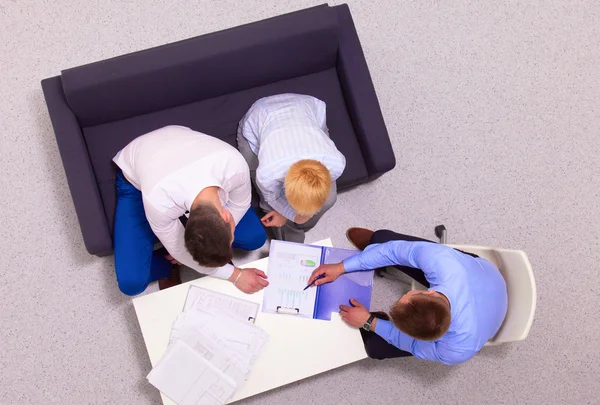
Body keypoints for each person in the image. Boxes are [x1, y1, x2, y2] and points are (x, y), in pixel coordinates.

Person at [307, 228, 508, 365]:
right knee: (382, 240)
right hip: (483, 273)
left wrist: (369, 322)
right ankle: (372, 246)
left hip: (481, 311)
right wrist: (341, 267)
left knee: (374, 348)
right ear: (428, 292)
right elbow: (392, 251)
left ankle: (376, 322)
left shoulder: (456, 350)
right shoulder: (440, 261)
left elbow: (411, 344)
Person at [112, 125, 269, 296]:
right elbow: (179, 249)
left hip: (182, 142)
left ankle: (188, 251)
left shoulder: (235, 166)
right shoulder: (159, 201)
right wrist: (235, 275)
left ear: (225, 215)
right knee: (131, 283)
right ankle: (166, 266)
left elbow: (240, 205)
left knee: (255, 237)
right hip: (138, 181)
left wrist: (187, 251)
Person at [237, 93, 346, 243]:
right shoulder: (268, 173)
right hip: (261, 115)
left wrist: (298, 217)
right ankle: (291, 236)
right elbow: (271, 197)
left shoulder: (336, 163)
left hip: (304, 107)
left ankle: (297, 228)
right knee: (269, 206)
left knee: (329, 198)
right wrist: (285, 214)